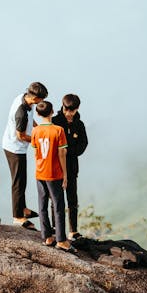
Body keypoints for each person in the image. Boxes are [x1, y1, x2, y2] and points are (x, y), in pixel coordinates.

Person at [1, 82, 48, 229]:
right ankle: (18, 216)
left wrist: (38, 128)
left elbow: (31, 118)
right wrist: (38, 140)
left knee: (23, 180)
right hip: (14, 148)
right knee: (18, 183)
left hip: (18, 147)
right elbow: (20, 135)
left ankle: (23, 208)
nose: (42, 103)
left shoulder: (25, 98)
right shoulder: (20, 112)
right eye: (41, 100)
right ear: (34, 98)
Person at [30, 101, 74, 252]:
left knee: (42, 205)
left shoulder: (35, 131)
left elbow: (36, 152)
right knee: (58, 206)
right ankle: (61, 239)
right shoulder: (58, 130)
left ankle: (47, 237)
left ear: (37, 114)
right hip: (54, 173)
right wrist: (65, 175)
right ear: (52, 112)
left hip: (40, 172)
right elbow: (62, 154)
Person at [52, 93, 89, 240]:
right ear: (62, 106)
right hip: (56, 167)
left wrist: (68, 152)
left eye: (71, 111)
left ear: (77, 109)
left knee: (72, 200)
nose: (68, 113)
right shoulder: (55, 122)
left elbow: (83, 144)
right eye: (66, 110)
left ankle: (73, 230)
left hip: (72, 167)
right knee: (55, 200)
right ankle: (56, 229)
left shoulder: (79, 125)